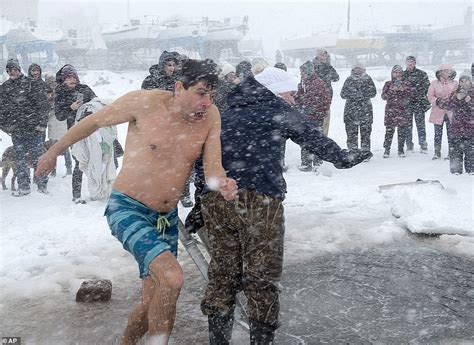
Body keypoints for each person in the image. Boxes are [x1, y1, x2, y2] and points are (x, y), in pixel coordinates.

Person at [36, 59, 238, 345]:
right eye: (201, 93)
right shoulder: (144, 103)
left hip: (166, 217)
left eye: (212, 96)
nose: (207, 102)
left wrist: (222, 184)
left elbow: (213, 167)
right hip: (128, 207)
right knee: (172, 277)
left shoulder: (211, 116)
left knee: (155, 300)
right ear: (179, 87)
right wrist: (53, 152)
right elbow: (92, 122)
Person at [195, 67, 371, 344]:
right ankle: (261, 339)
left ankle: (218, 339)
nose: (292, 99)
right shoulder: (274, 109)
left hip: (216, 201)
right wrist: (341, 157)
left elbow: (202, 157)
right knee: (262, 277)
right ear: (275, 90)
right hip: (259, 201)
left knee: (222, 271)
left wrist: (199, 200)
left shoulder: (223, 113)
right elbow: (311, 136)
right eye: (289, 93)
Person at [142, 51, 194, 207]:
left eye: (173, 65)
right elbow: (144, 103)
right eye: (168, 65)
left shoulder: (179, 81)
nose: (171, 68)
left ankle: (184, 193)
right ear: (162, 65)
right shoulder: (150, 81)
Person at [0, 58, 49, 196]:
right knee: (20, 160)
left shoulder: (31, 84)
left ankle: (42, 185)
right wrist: (5, 126)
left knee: (39, 158)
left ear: (19, 69)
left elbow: (43, 105)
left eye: (15, 69)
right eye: (9, 70)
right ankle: (24, 187)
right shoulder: (5, 87)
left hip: (34, 129)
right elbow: (1, 110)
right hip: (16, 131)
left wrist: (41, 124)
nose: (12, 72)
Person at [54, 64, 97, 203]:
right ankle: (76, 195)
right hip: (74, 132)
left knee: (96, 161)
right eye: (68, 77)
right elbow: (59, 115)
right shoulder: (60, 93)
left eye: (74, 77)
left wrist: (90, 108)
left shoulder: (84, 89)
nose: (72, 80)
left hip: (92, 129)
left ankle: (97, 191)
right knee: (79, 162)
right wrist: (70, 108)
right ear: (63, 79)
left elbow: (97, 102)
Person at [295, 60, 332, 172]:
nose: (301, 74)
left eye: (302, 72)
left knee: (315, 139)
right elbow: (300, 97)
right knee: (305, 139)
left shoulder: (318, 83)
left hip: (315, 117)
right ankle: (306, 162)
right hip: (305, 116)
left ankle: (317, 162)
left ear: (308, 72)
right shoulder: (303, 83)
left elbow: (326, 100)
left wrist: (317, 111)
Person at [438, 71, 473, 174]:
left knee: (471, 151)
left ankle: (471, 170)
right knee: (455, 150)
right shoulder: (455, 93)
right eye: (461, 81)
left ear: (470, 82)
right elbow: (448, 105)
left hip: (471, 127)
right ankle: (456, 170)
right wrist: (457, 99)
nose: (463, 83)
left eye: (466, 80)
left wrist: (469, 102)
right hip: (457, 126)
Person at [340, 61, 377, 158]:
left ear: (363, 69)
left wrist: (362, 95)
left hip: (365, 111)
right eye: (355, 68)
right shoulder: (349, 80)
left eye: (359, 68)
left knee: (366, 134)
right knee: (351, 134)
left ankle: (365, 153)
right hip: (350, 112)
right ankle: (353, 153)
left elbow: (373, 92)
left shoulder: (368, 79)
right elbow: (342, 94)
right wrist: (353, 95)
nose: (357, 70)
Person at [381, 65, 413, 158]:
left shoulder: (406, 84)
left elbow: (411, 96)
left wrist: (403, 91)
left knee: (402, 131)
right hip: (390, 110)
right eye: (395, 72)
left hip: (402, 110)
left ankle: (401, 149)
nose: (397, 74)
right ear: (392, 73)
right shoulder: (388, 84)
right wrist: (392, 91)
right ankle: (387, 149)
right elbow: (383, 96)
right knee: (389, 131)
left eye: (399, 72)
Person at [427, 64, 458, 160]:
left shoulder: (455, 83)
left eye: (447, 71)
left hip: (450, 112)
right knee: (437, 134)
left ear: (451, 72)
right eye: (443, 71)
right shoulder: (434, 83)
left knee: (451, 134)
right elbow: (430, 96)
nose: (445, 73)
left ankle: (451, 152)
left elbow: (457, 96)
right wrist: (437, 101)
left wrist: (451, 101)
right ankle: (437, 152)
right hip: (438, 111)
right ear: (439, 73)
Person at [44, 73, 73, 177]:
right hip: (52, 121)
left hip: (61, 121)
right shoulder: (47, 93)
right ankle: (53, 169)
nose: (52, 83)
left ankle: (69, 168)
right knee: (53, 148)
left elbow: (65, 106)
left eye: (54, 81)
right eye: (50, 82)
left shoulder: (62, 91)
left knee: (64, 147)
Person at [403, 56, 431, 153]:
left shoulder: (422, 74)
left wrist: (425, 102)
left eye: (412, 62)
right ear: (405, 63)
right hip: (406, 104)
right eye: (408, 62)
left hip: (419, 103)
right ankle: (409, 145)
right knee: (407, 126)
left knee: (421, 125)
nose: (410, 64)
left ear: (415, 63)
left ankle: (423, 144)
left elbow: (428, 89)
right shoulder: (402, 75)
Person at [312, 49, 339, 135]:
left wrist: (328, 68)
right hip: (314, 99)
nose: (323, 57)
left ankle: (324, 139)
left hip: (326, 99)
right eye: (321, 55)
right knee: (314, 124)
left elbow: (336, 78)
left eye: (325, 55)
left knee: (325, 123)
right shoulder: (312, 66)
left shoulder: (328, 67)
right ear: (317, 55)